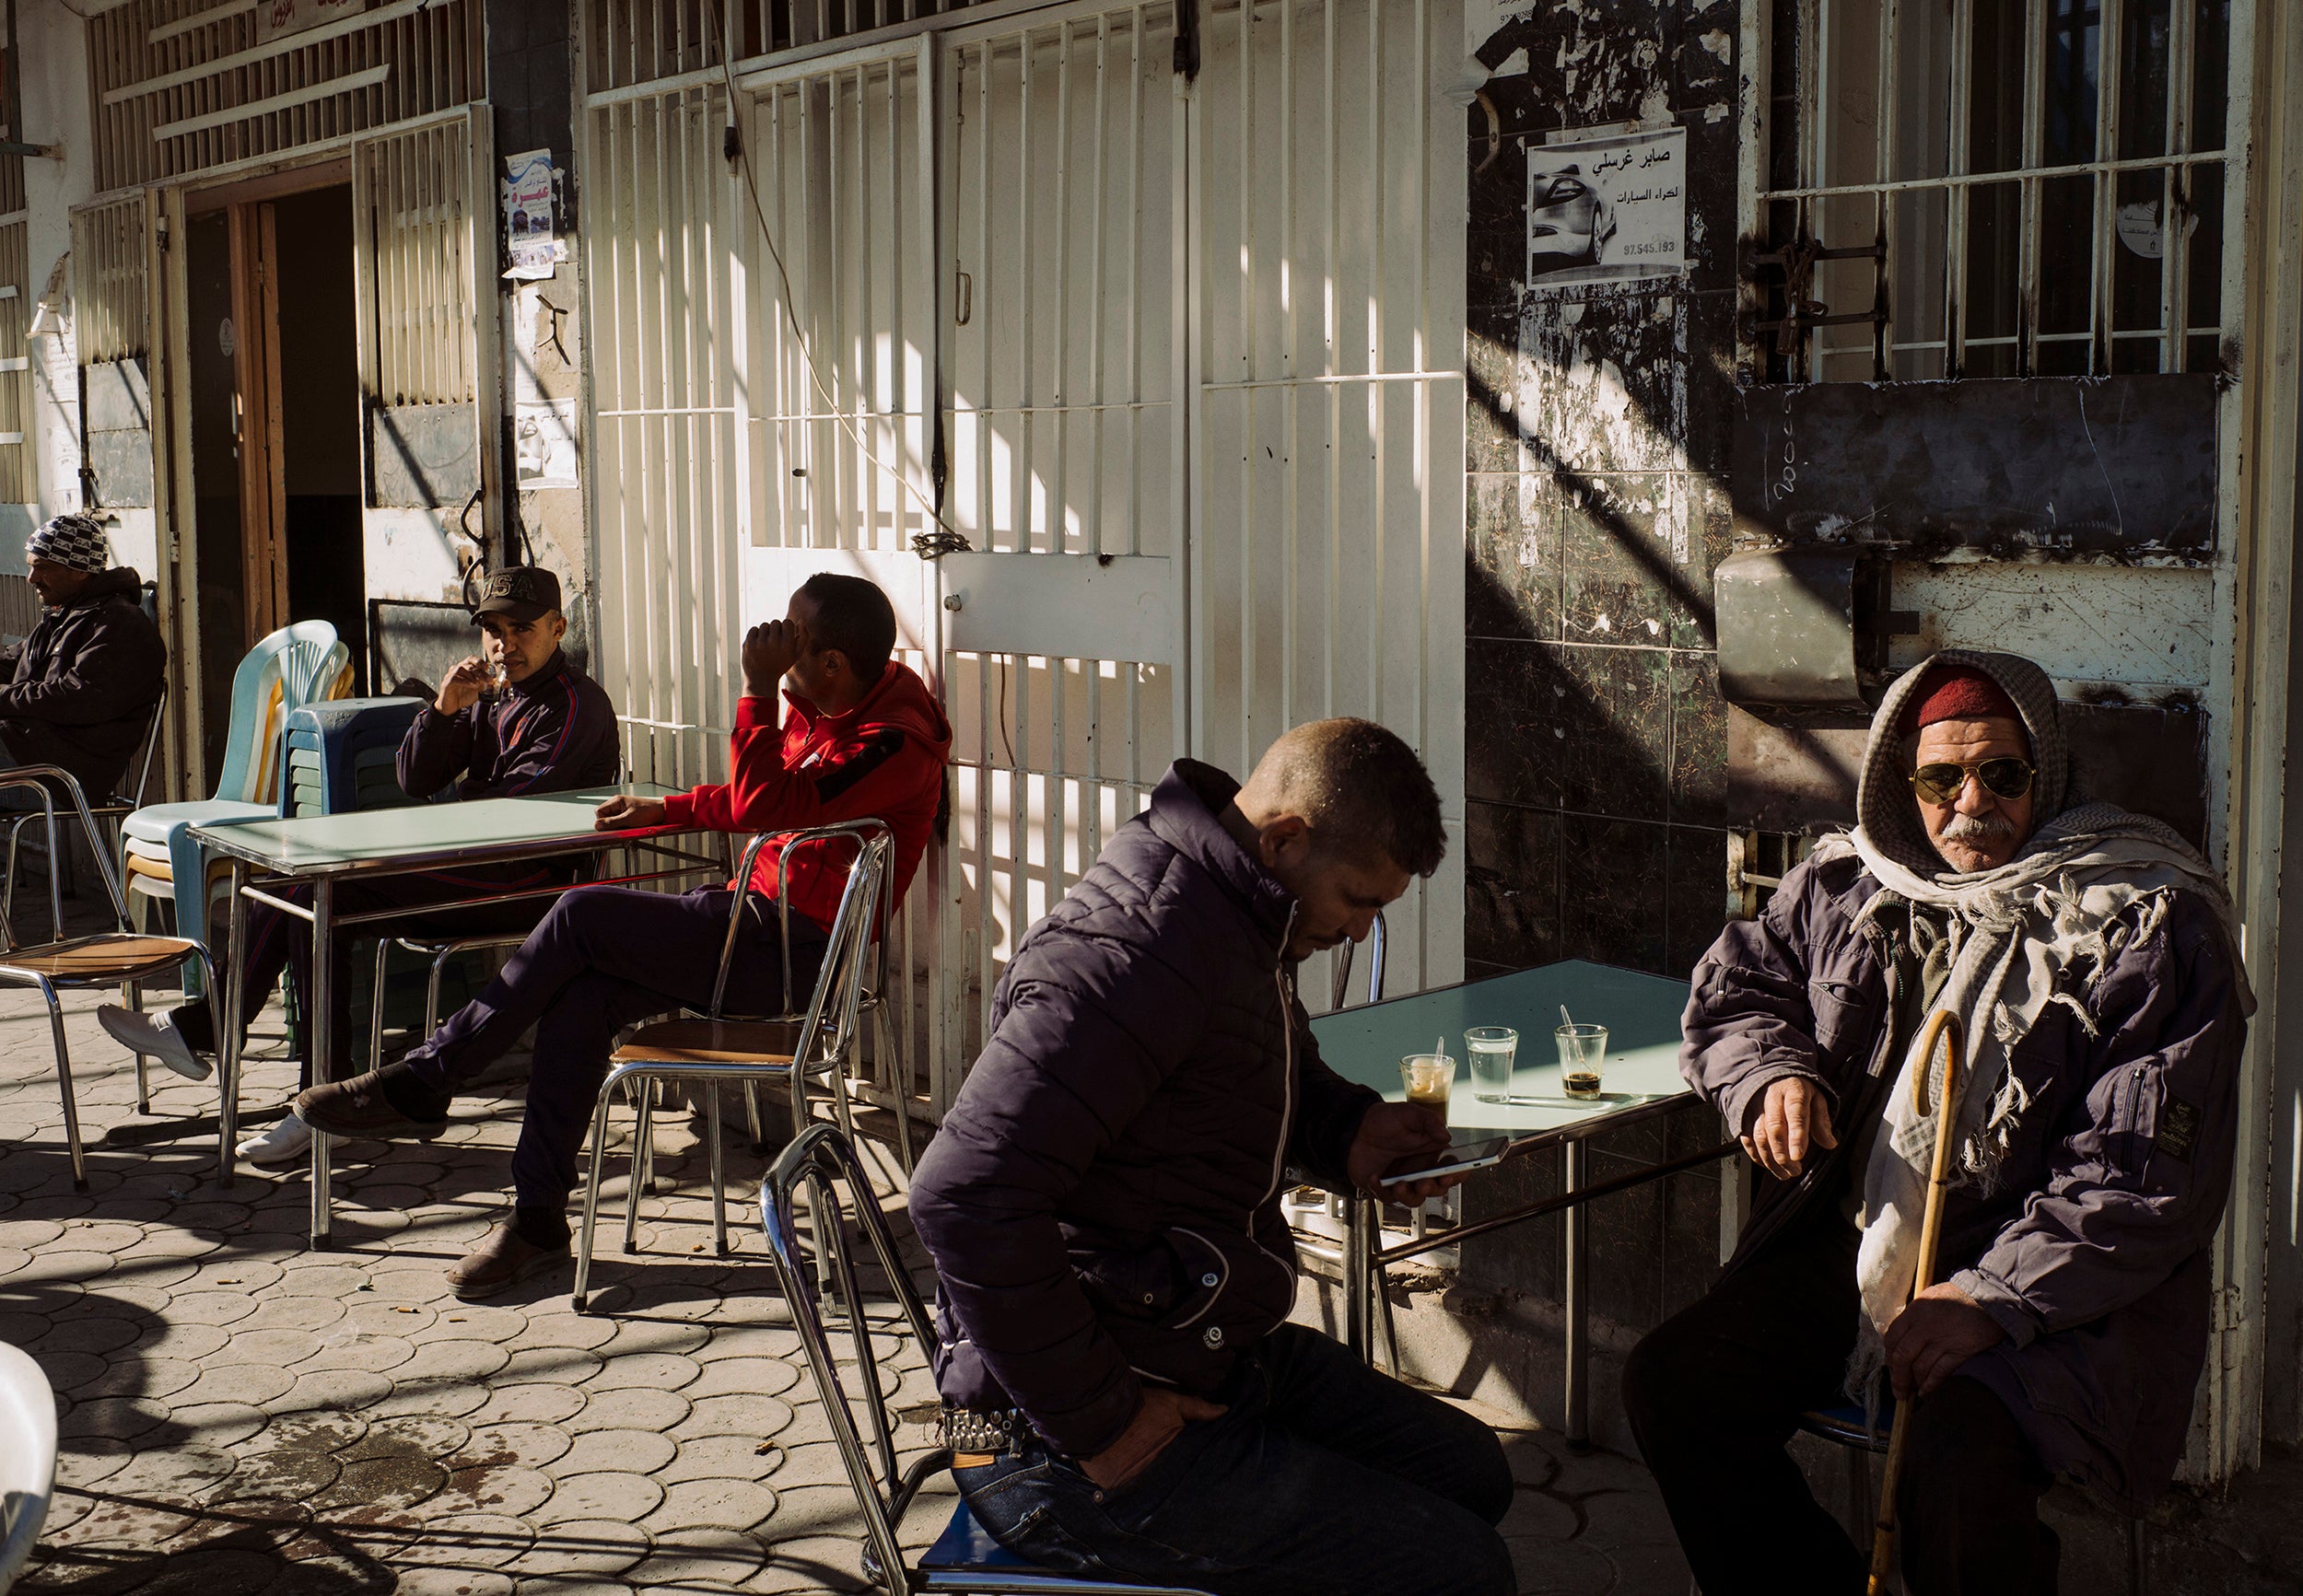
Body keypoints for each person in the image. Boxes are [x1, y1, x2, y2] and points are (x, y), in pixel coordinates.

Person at [1623, 650, 2251, 1596]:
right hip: (1862, 1249)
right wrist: (1768, 1075)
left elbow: (2140, 1180)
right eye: (1940, 777)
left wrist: (1989, 1297)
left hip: (2048, 1291)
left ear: (2046, 776)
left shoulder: (2143, 917)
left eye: (2002, 773)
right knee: (1676, 1384)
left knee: (1953, 1469)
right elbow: (1741, 985)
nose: (1973, 800)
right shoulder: (1847, 881)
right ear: (1898, 783)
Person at [908, 719, 1515, 1596]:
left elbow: (1248, 1071)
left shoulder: (1234, 912)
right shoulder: (1134, 953)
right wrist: (1106, 1424)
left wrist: (1350, 1129)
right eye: (1358, 899)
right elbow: (964, 1196)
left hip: (1195, 1342)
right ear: (1285, 837)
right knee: (1461, 1568)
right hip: (1052, 1440)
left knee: (1471, 1472)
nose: (1356, 931)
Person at [294, 572, 952, 1300]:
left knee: (580, 911)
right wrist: (664, 807)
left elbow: (771, 800)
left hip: (795, 957)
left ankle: (427, 1078)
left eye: (793, 635)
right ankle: (537, 1220)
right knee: (580, 997)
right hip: (749, 925)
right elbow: (754, 800)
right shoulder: (832, 704)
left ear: (831, 661)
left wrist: (759, 690)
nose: (776, 638)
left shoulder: (896, 742)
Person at [98, 565, 619, 1166]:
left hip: (532, 883)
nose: (505, 645)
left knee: (326, 893)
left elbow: (517, 816)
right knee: (295, 886)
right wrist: (445, 709)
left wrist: (423, 830)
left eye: (522, 629)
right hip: (475, 862)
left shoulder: (576, 704)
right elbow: (415, 778)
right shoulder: (492, 695)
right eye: (493, 630)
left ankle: (266, 1065)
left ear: (557, 628)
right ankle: (295, 1082)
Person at [0, 513, 167, 804]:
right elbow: (14, 661)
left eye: (44, 568)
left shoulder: (119, 624)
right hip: (29, 751)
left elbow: (80, 697)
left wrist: (3, 697)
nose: (32, 579)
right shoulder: (66, 616)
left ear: (80, 570)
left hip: (61, 773)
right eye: (31, 567)